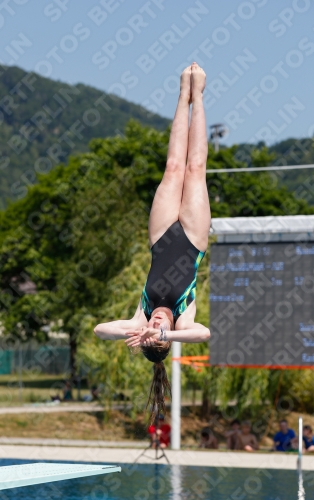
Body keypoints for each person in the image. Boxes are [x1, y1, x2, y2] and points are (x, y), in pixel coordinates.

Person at [94, 63, 211, 422]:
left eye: (154, 327)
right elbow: (206, 335)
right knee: (195, 168)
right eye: (162, 327)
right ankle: (200, 94)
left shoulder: (140, 317)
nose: (159, 319)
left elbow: (100, 331)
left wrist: (140, 329)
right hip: (192, 238)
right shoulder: (184, 323)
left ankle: (182, 93)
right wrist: (168, 338)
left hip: (161, 237)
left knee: (173, 166)